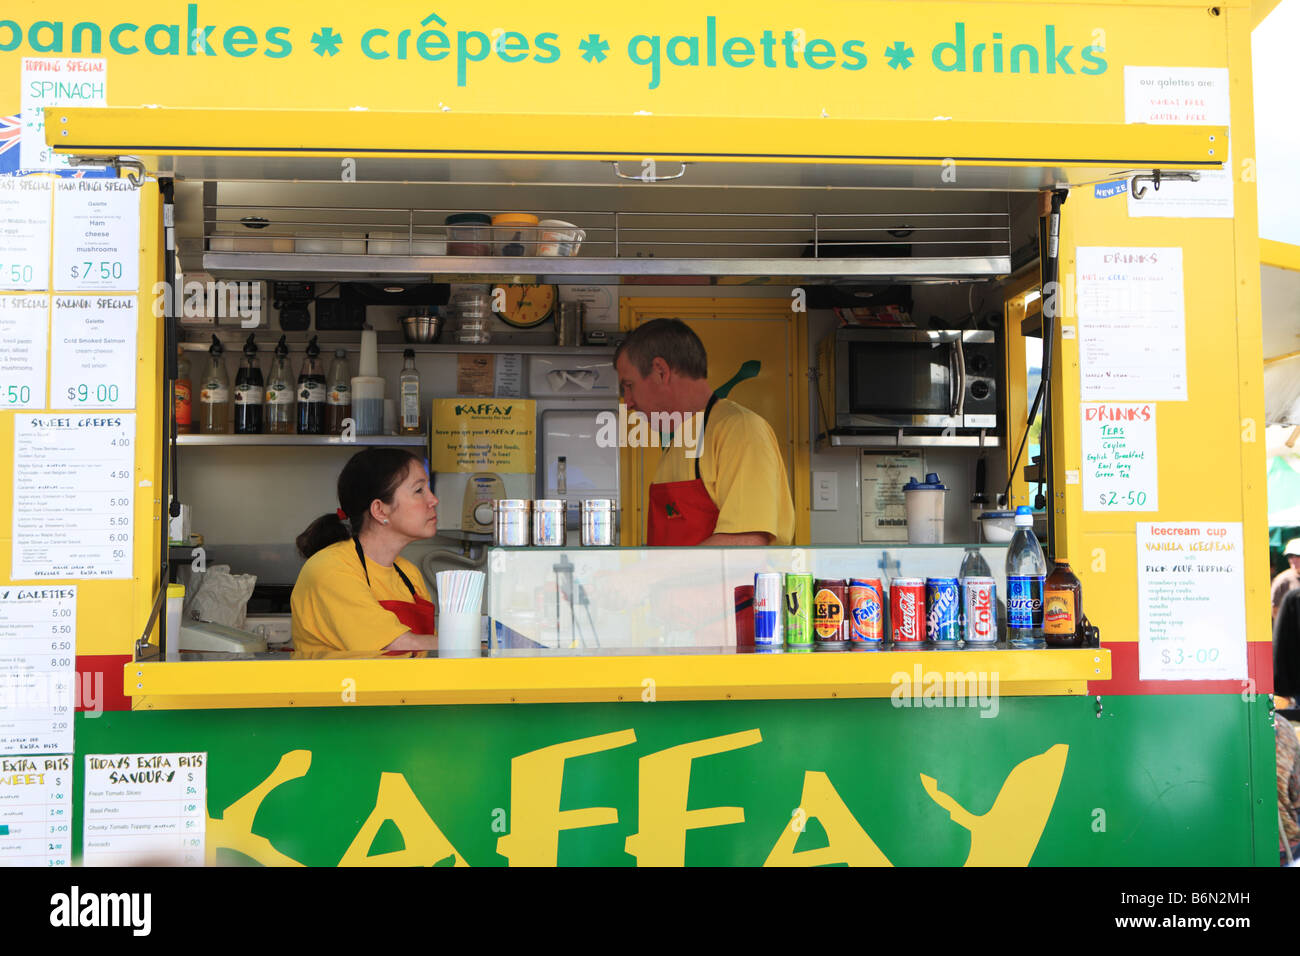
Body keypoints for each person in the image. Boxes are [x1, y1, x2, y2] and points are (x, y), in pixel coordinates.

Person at [614, 318, 795, 546]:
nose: (627, 402)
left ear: (661, 371)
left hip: (732, 583)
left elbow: (746, 544)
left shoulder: (740, 430)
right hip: (679, 582)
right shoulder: (679, 441)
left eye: (629, 386)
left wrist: (651, 574)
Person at [291, 447, 439, 659]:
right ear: (379, 510)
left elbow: (426, 653)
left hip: (399, 692)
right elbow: (397, 644)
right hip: (342, 691)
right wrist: (481, 647)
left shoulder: (409, 574)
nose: (433, 500)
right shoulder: (330, 569)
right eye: (419, 491)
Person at [1274, 539, 1300, 621]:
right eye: (1290, 556)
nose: (1293, 560)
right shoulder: (1282, 580)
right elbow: (1274, 609)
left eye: (1298, 556)